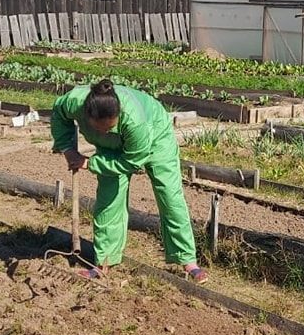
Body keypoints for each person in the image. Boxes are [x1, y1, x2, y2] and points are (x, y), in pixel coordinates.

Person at [50, 78, 208, 284]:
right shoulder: (74, 102)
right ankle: (104, 262)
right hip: (109, 149)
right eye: (100, 129)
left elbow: (130, 163)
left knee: (169, 195)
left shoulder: (135, 124)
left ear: (118, 116)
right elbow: (58, 115)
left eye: (110, 127)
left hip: (155, 138)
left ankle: (187, 260)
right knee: (108, 202)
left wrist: (89, 163)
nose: (105, 131)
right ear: (87, 116)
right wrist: (67, 149)